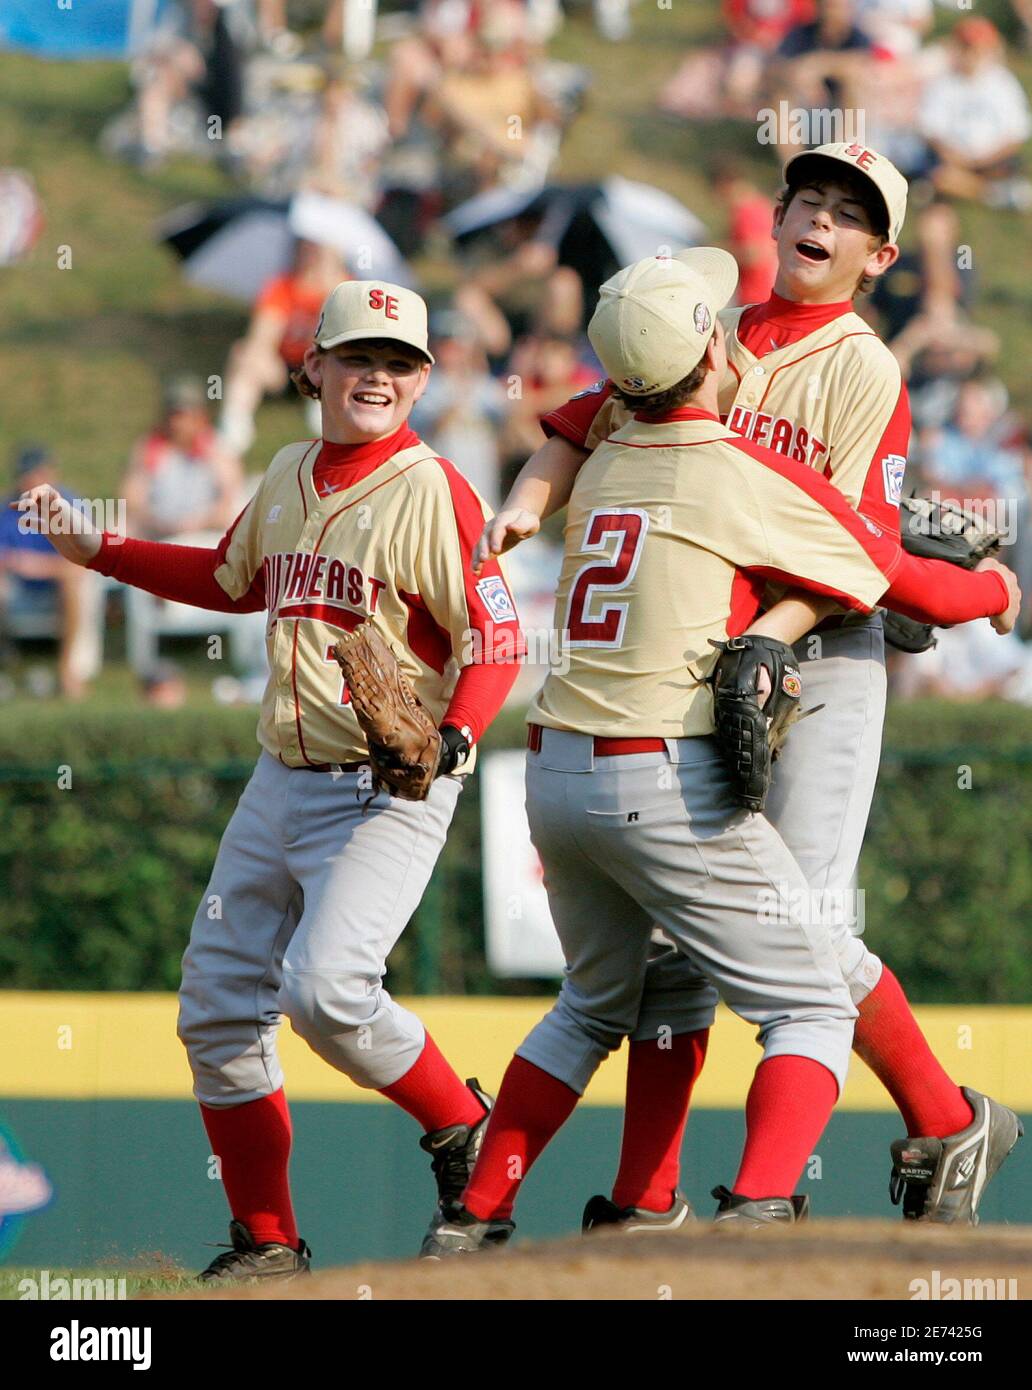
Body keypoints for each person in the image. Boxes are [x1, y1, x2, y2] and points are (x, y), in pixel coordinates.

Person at [473, 141, 1024, 1230]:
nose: (822, 218)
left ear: (878, 256)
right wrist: (530, 501)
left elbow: (851, 550)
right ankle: (649, 1199)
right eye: (809, 198)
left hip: (816, 662)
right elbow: (583, 423)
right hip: (694, 664)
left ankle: (897, 1138)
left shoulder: (864, 368)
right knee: (674, 952)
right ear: (778, 218)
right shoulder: (702, 327)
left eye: (850, 215)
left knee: (802, 928)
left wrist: (792, 626)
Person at [14, 279, 524, 1281]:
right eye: (358, 356)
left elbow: (496, 634)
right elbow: (229, 578)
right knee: (214, 1007)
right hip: (279, 773)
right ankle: (268, 1241)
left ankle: (464, 1125)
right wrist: (97, 547)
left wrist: (457, 737)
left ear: (421, 381)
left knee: (329, 991)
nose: (378, 375)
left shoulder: (433, 488)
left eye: (399, 362)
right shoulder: (290, 470)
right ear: (313, 367)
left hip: (389, 784)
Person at [218, 240, 346, 458]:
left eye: (317, 249)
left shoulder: (345, 288)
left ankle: (324, 404)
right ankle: (235, 420)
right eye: (306, 248)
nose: (311, 256)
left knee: (332, 352)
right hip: (284, 366)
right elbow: (262, 337)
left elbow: (342, 338)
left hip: (321, 365)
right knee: (244, 352)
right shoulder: (283, 286)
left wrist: (329, 292)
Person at [0, 446, 96, 701]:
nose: (29, 481)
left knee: (71, 584)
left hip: (60, 585)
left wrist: (34, 565)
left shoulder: (71, 507)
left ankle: (68, 669)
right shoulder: (9, 509)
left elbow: (81, 563)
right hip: (18, 586)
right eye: (26, 475)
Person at [918, 17, 1032, 210]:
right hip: (954, 159)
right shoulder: (943, 83)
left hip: (994, 160)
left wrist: (984, 159)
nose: (972, 55)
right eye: (967, 48)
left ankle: (964, 187)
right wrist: (956, 157)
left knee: (945, 179)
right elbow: (931, 131)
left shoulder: (1003, 82)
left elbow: (1016, 134)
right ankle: (998, 194)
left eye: (978, 49)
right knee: (942, 174)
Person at [122, 376, 243, 540]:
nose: (177, 424)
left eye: (184, 416)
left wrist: (198, 522)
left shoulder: (216, 450)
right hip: (158, 530)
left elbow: (228, 504)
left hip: (203, 533)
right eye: (173, 416)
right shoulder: (151, 447)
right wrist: (157, 521)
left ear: (200, 417)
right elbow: (132, 499)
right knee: (120, 527)